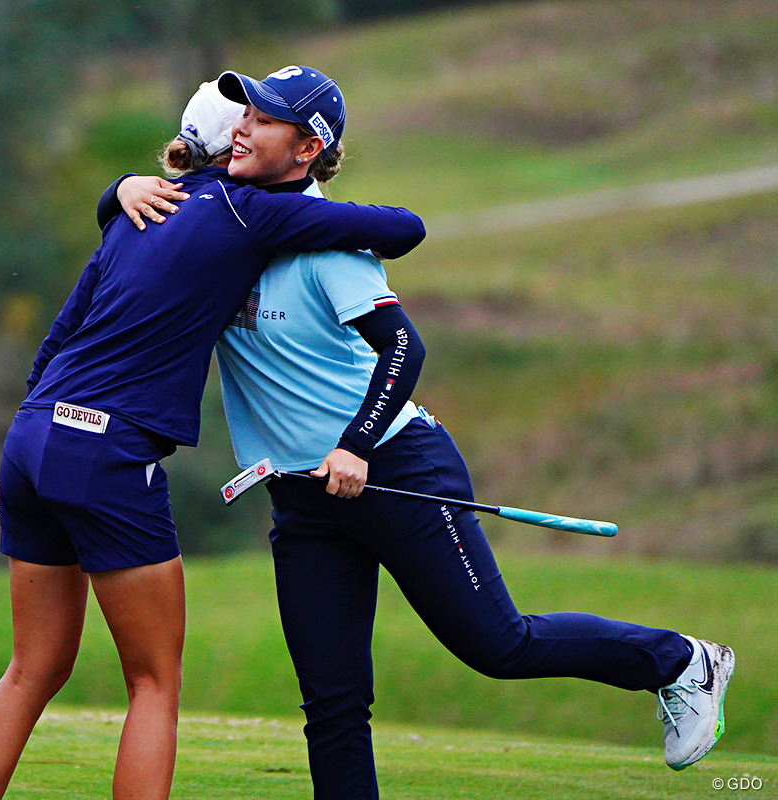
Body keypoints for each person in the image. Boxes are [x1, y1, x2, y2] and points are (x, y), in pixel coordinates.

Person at [106, 66, 735, 799]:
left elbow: (405, 348)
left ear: (308, 148)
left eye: (263, 120)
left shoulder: (326, 244)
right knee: (332, 704)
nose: (240, 126)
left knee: (498, 644)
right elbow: (142, 217)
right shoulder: (229, 222)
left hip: (394, 468)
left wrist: (356, 445)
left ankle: (682, 662)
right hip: (302, 497)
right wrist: (120, 187)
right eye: (242, 114)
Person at [0, 76, 426, 800]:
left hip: (32, 438)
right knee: (152, 683)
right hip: (107, 452)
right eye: (249, 123)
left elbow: (58, 337)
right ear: (233, 142)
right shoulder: (253, 211)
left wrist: (119, 189)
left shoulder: (134, 216)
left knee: (30, 669)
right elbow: (403, 228)